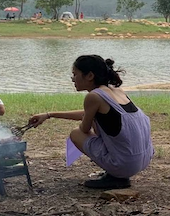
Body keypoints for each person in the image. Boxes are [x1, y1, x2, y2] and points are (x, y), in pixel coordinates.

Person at [28, 55, 154, 189]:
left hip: (124, 165)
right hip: (142, 160)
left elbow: (84, 129)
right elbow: (90, 113)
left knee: (76, 134)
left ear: (89, 76)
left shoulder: (93, 96)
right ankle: (116, 173)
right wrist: (49, 115)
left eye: (75, 74)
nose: (72, 79)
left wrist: (90, 122)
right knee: (98, 125)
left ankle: (115, 176)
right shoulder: (115, 91)